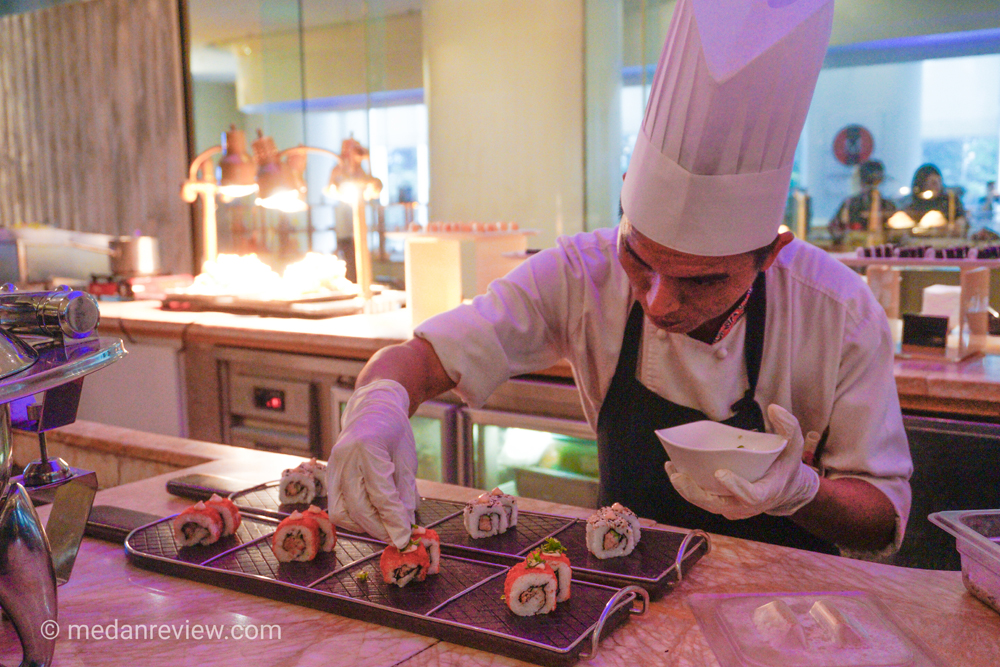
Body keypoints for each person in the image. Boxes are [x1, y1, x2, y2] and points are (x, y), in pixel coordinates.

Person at [327, 0, 912, 559]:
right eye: (641, 260)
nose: (659, 303)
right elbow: (424, 359)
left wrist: (800, 492)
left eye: (700, 282)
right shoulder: (583, 271)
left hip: (787, 614)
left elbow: (882, 514)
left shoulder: (837, 309)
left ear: (770, 255)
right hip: (625, 593)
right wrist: (378, 406)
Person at [828, 160, 897, 244]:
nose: (871, 187)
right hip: (855, 250)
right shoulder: (850, 204)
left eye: (874, 181)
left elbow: (896, 232)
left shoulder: (888, 206)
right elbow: (835, 228)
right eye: (869, 181)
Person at [899, 163, 967, 236]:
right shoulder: (912, 204)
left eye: (939, 182)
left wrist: (960, 223)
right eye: (933, 183)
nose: (938, 186)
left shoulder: (950, 201)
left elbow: (961, 220)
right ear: (922, 184)